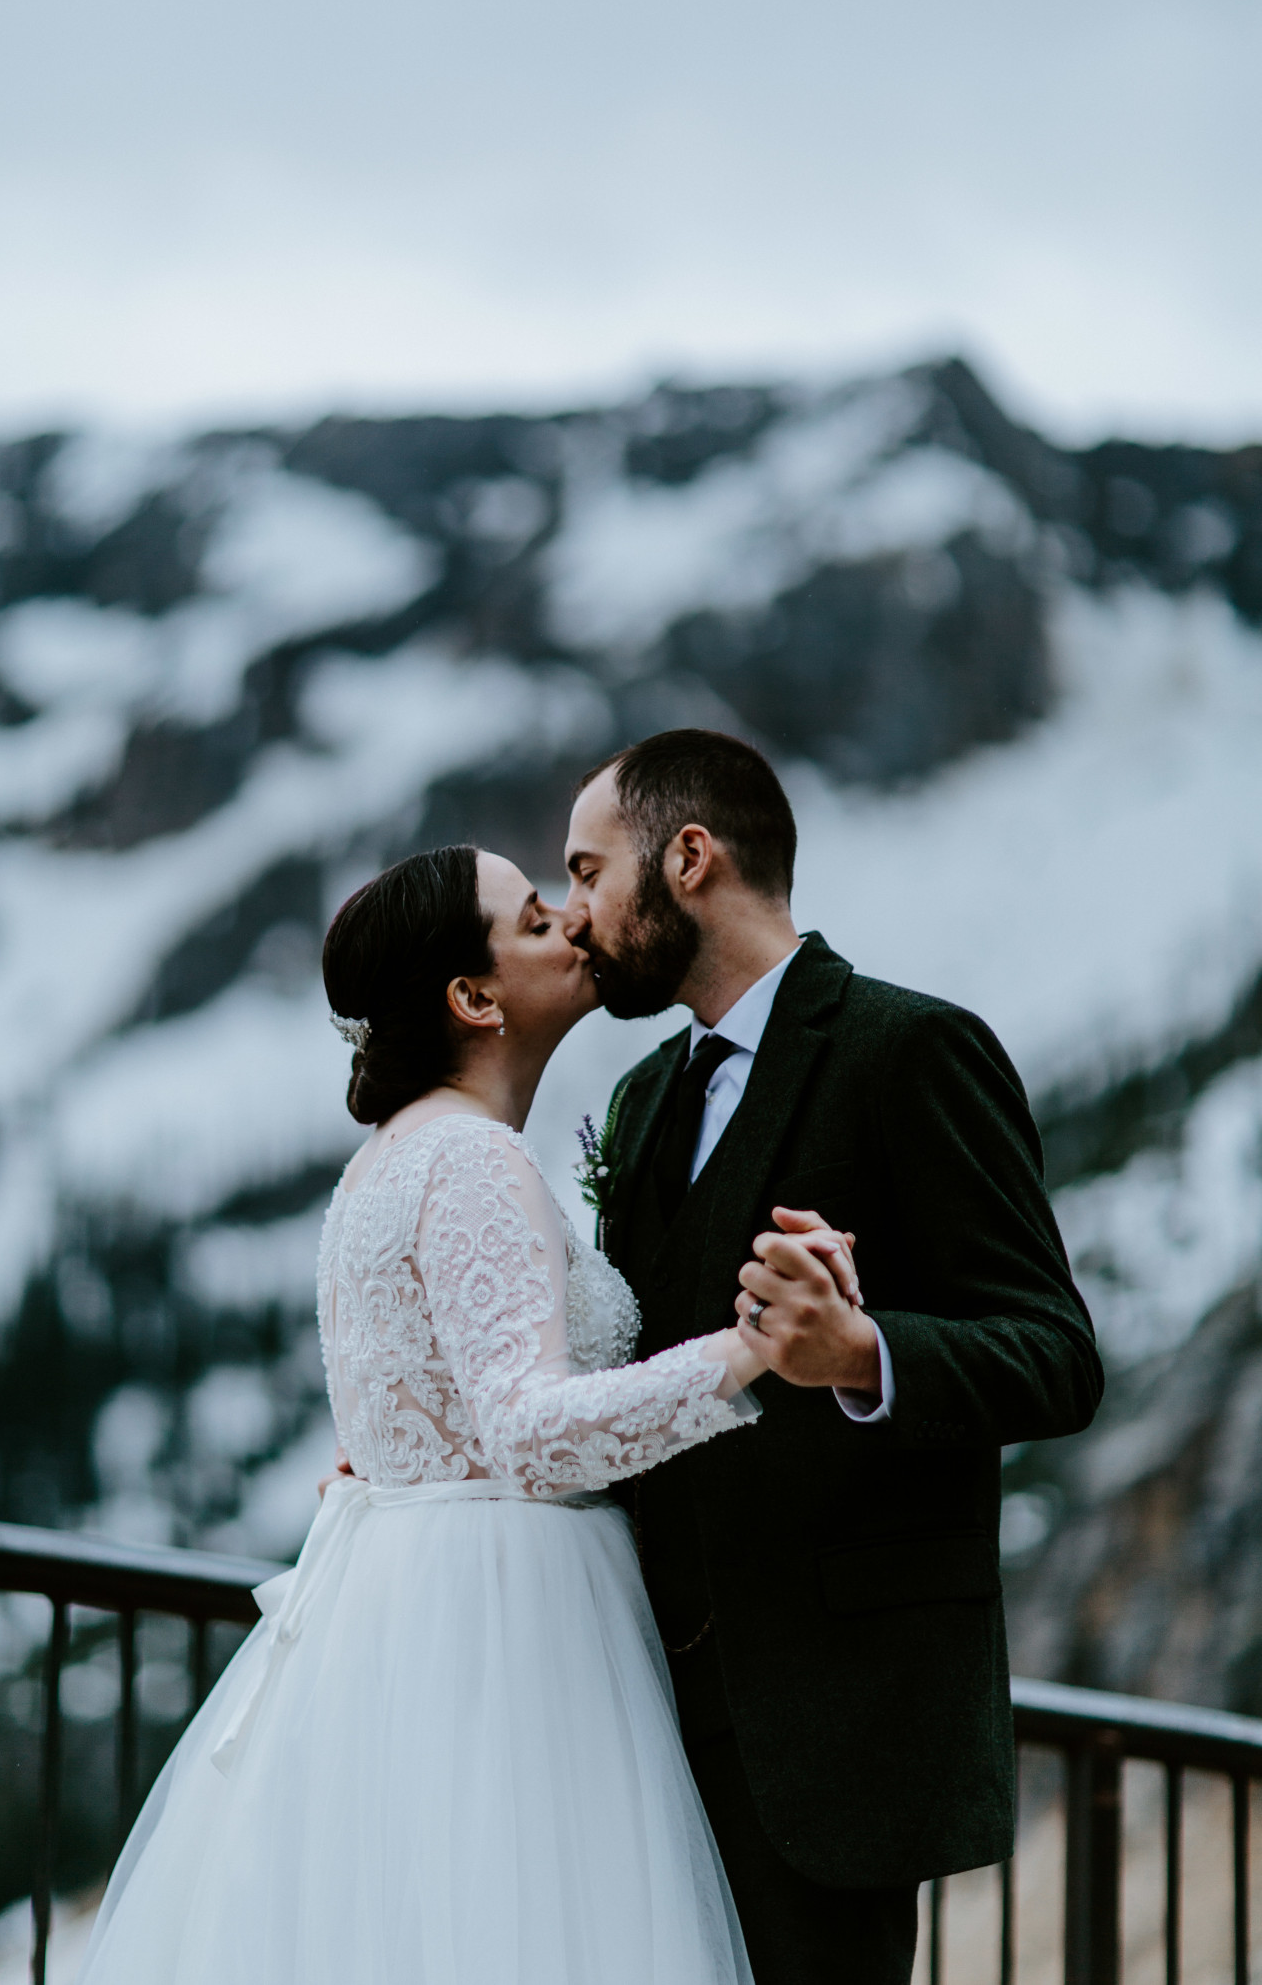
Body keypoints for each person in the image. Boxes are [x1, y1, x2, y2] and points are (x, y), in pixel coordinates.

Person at [79, 843, 819, 1985]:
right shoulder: (472, 1159)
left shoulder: (390, 1158)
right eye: (532, 920)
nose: (571, 925)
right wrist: (748, 1354)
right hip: (508, 1619)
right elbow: (527, 1432)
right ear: (473, 998)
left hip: (407, 1603)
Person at [562, 728, 1104, 1985]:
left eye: (589, 871)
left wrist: (864, 1353)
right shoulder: (643, 1099)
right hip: (645, 1718)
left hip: (833, 1733)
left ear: (686, 858)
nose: (574, 913)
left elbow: (1054, 1355)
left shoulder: (907, 1051)